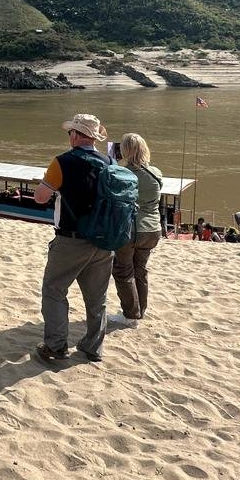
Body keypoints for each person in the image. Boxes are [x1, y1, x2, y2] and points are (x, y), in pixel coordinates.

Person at [32, 114, 113, 363]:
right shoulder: (109, 161)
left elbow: (40, 197)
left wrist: (49, 183)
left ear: (76, 135)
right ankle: (93, 348)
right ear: (95, 137)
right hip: (104, 240)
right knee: (97, 298)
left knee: (54, 290)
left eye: (70, 133)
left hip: (71, 240)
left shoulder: (62, 162)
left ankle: (56, 347)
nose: (69, 137)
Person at [110, 133, 163, 324]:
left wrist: (113, 163)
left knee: (123, 271)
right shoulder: (156, 173)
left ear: (124, 151)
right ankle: (141, 310)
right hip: (153, 229)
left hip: (131, 229)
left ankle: (131, 314)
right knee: (140, 269)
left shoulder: (121, 173)